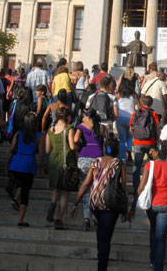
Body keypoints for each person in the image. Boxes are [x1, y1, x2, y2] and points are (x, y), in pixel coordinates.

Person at [72, 137, 127, 271]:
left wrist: (75, 203)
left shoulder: (96, 162)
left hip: (95, 203)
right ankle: (102, 266)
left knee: (100, 235)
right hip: (110, 204)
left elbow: (85, 184)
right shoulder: (119, 164)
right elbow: (124, 186)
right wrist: (126, 208)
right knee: (105, 239)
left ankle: (101, 262)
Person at [132, 140, 167, 271]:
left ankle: (153, 260)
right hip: (166, 204)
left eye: (153, 151)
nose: (150, 153)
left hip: (152, 203)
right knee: (161, 237)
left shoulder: (149, 165)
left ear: (157, 152)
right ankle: (158, 266)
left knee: (154, 231)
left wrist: (132, 205)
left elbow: (141, 186)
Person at [7, 111, 41, 227]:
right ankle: (21, 219)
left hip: (16, 162)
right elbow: (41, 154)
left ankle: (16, 197)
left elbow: (12, 148)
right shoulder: (38, 136)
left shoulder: (18, 133)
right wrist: (42, 167)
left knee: (20, 184)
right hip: (29, 163)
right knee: (25, 192)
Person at [45, 107, 76, 229]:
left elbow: (47, 149)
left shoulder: (50, 130)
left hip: (53, 162)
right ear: (67, 117)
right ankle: (59, 219)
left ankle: (52, 205)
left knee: (56, 188)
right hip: (66, 162)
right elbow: (72, 146)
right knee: (65, 193)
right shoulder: (69, 129)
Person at [73, 109, 103, 231]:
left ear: (88, 117)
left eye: (84, 116)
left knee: (85, 189)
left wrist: (81, 145)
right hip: (98, 158)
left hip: (85, 157)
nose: (82, 119)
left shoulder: (81, 127)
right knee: (96, 189)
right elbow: (104, 141)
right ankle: (96, 216)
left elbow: (75, 140)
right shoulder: (101, 127)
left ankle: (86, 218)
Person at [130, 96, 160, 195]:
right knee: (151, 165)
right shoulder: (153, 113)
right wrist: (158, 138)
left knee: (137, 166)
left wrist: (135, 137)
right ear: (151, 104)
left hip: (138, 142)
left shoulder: (136, 113)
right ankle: (150, 186)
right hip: (151, 142)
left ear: (142, 102)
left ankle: (136, 188)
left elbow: (131, 128)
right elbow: (156, 128)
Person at [114, 79, 135, 163]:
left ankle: (123, 159)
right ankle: (129, 150)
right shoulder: (133, 96)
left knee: (122, 140)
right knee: (130, 137)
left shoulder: (118, 95)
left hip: (120, 117)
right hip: (130, 118)